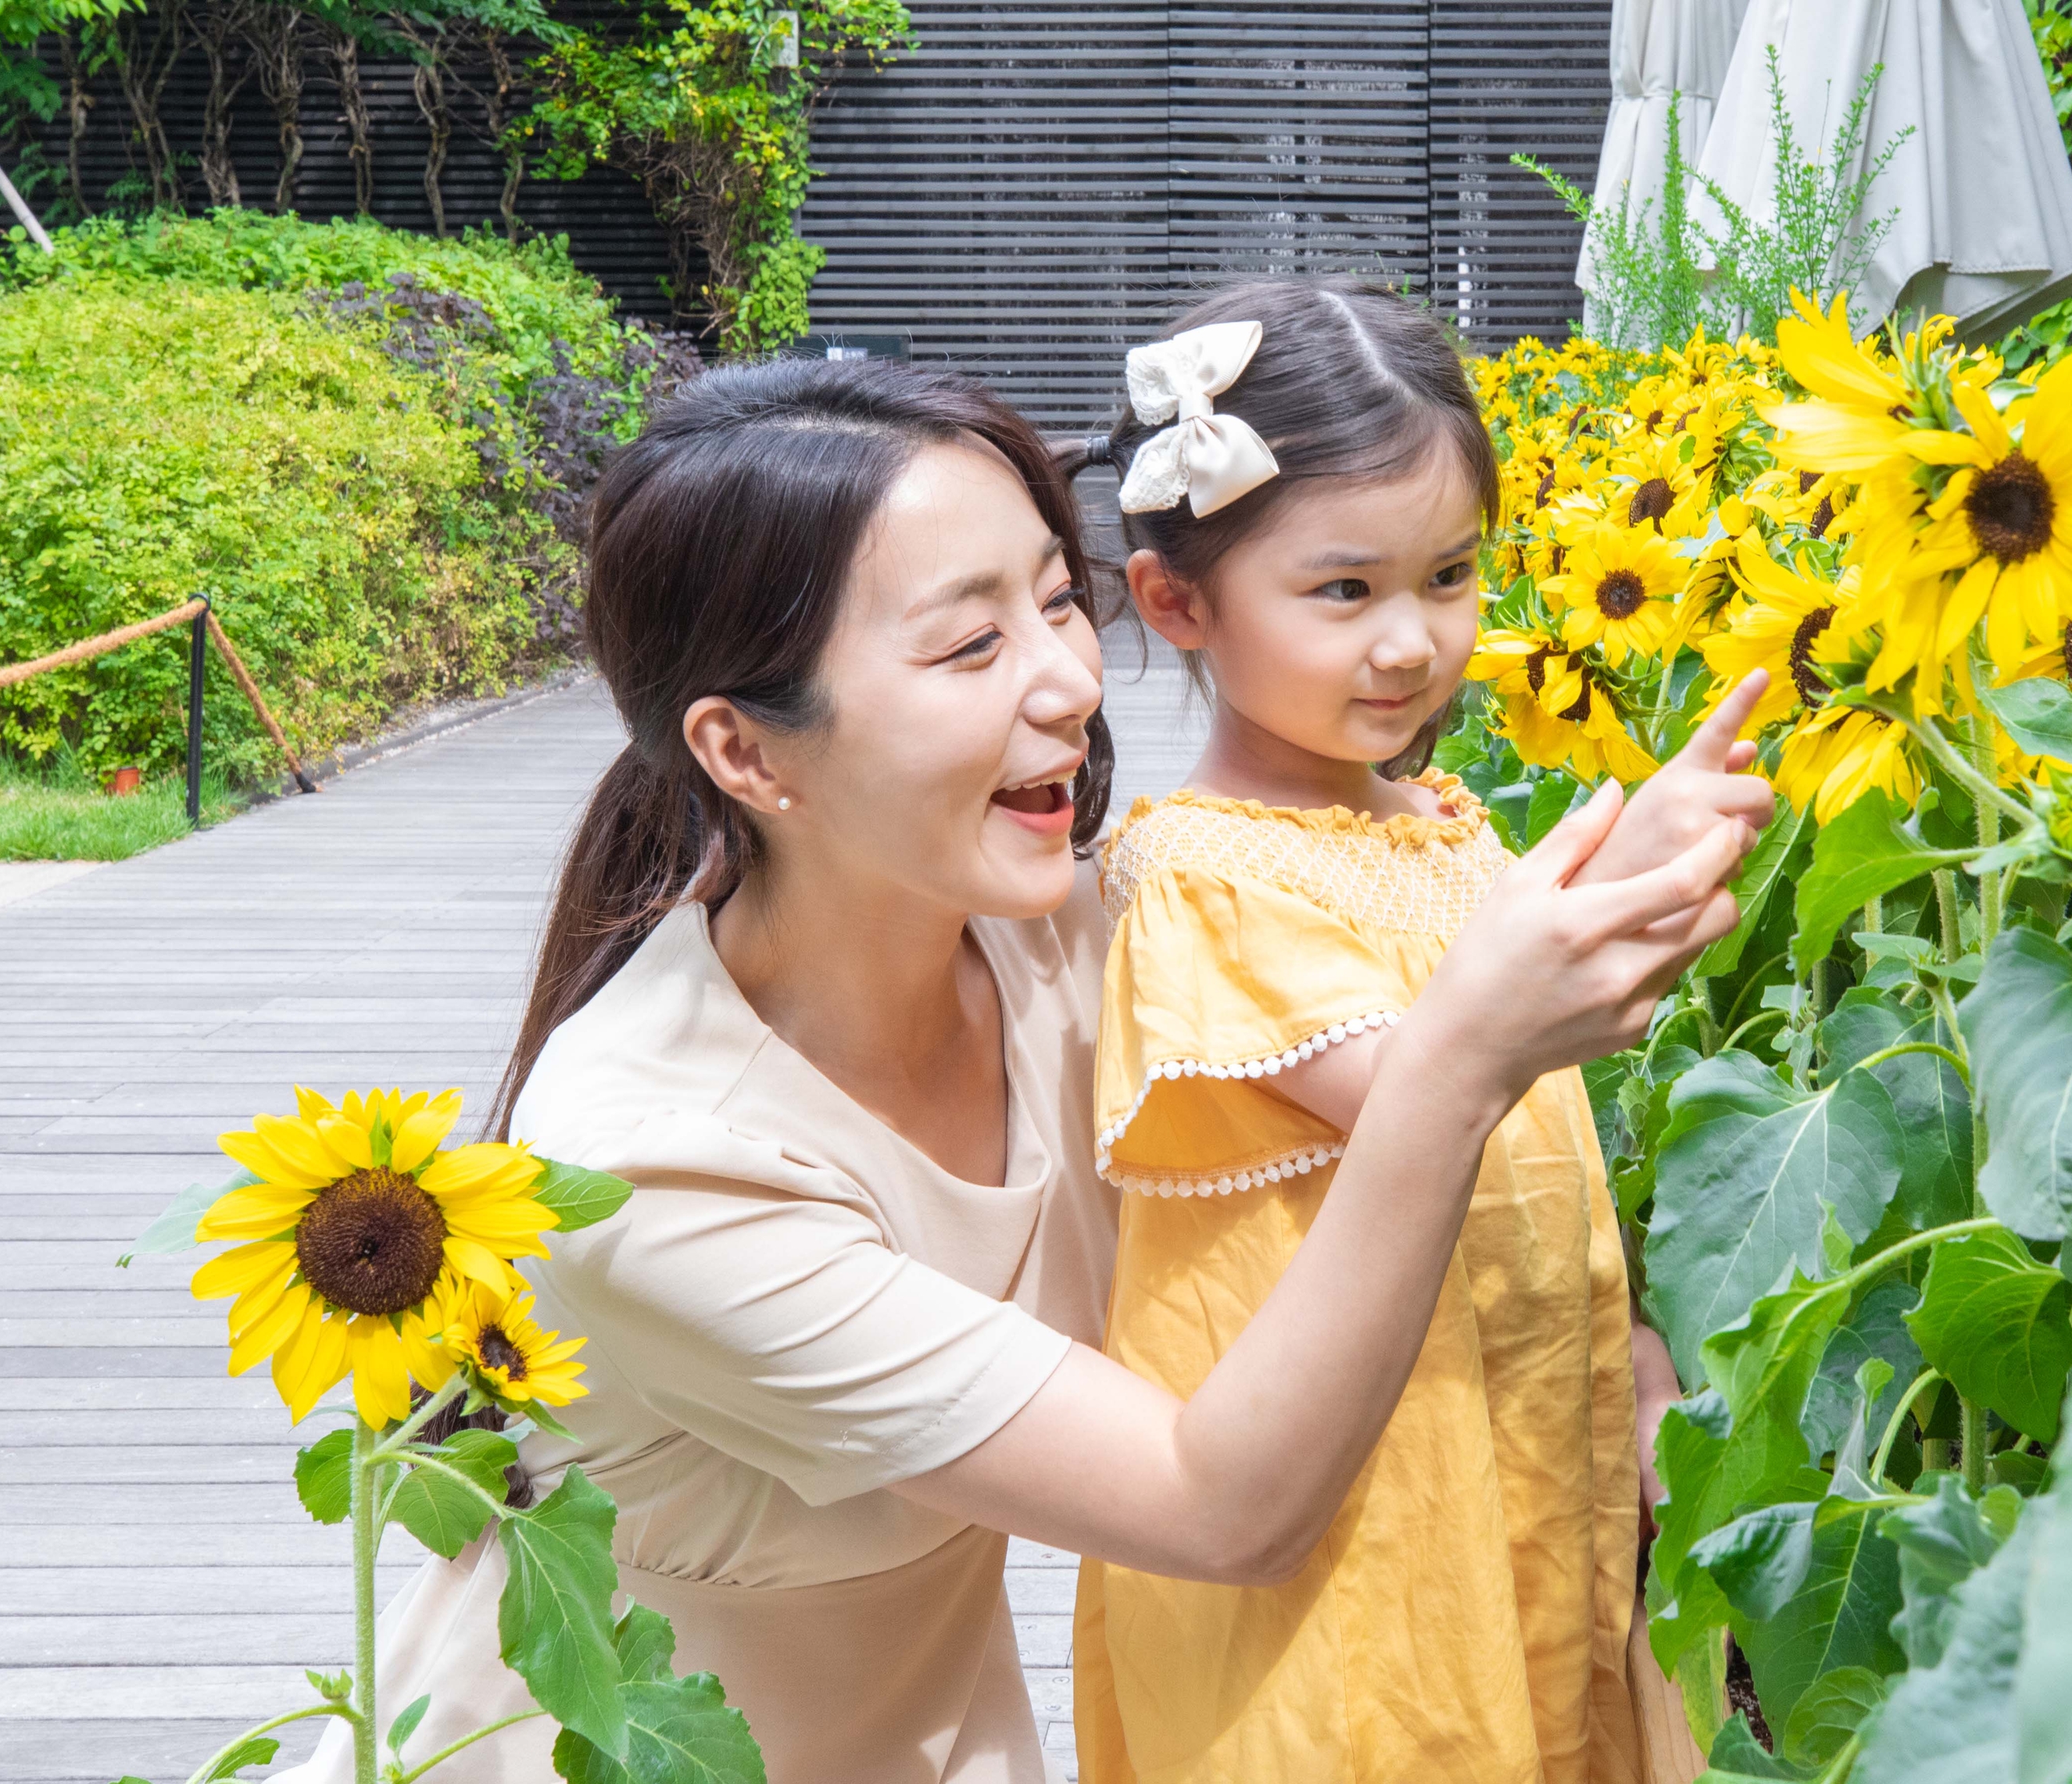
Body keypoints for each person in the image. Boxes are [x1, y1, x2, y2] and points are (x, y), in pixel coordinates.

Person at [283, 357, 1763, 1784]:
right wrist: (1458, 1065)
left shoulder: (1086, 935)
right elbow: (1217, 1502)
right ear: (744, 751)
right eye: (969, 643)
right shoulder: (653, 1166)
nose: (1069, 679)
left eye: (1060, 600)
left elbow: (1400, 1162)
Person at [1075, 283, 1770, 1784]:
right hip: (1364, 1502)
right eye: (1344, 592)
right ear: (1178, 602)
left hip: (1519, 1442)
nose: (1411, 642)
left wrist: (1642, 1359)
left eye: (1449, 576)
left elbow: (1528, 1130)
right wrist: (1610, 893)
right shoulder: (1198, 872)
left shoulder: (1442, 825)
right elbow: (1439, 1074)